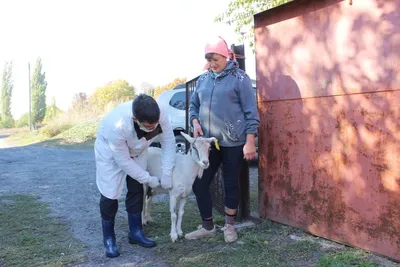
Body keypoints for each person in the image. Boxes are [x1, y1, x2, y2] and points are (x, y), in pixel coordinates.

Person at [186, 36, 260, 243]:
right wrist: (195, 122)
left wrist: (250, 140)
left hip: (234, 142)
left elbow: (250, 112)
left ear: (225, 55)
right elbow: (194, 105)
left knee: (230, 184)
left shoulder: (240, 78)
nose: (213, 64)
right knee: (200, 184)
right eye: (209, 60)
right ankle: (207, 226)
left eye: (216, 59)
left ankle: (229, 226)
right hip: (209, 143)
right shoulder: (203, 79)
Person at [94, 94, 176, 258]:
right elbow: (123, 161)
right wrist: (149, 178)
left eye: (155, 125)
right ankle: (109, 239)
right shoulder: (116, 124)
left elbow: (168, 141)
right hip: (111, 152)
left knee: (137, 188)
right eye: (148, 126)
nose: (153, 129)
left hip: (138, 149)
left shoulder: (161, 113)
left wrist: (166, 172)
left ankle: (136, 231)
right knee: (110, 194)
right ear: (134, 118)